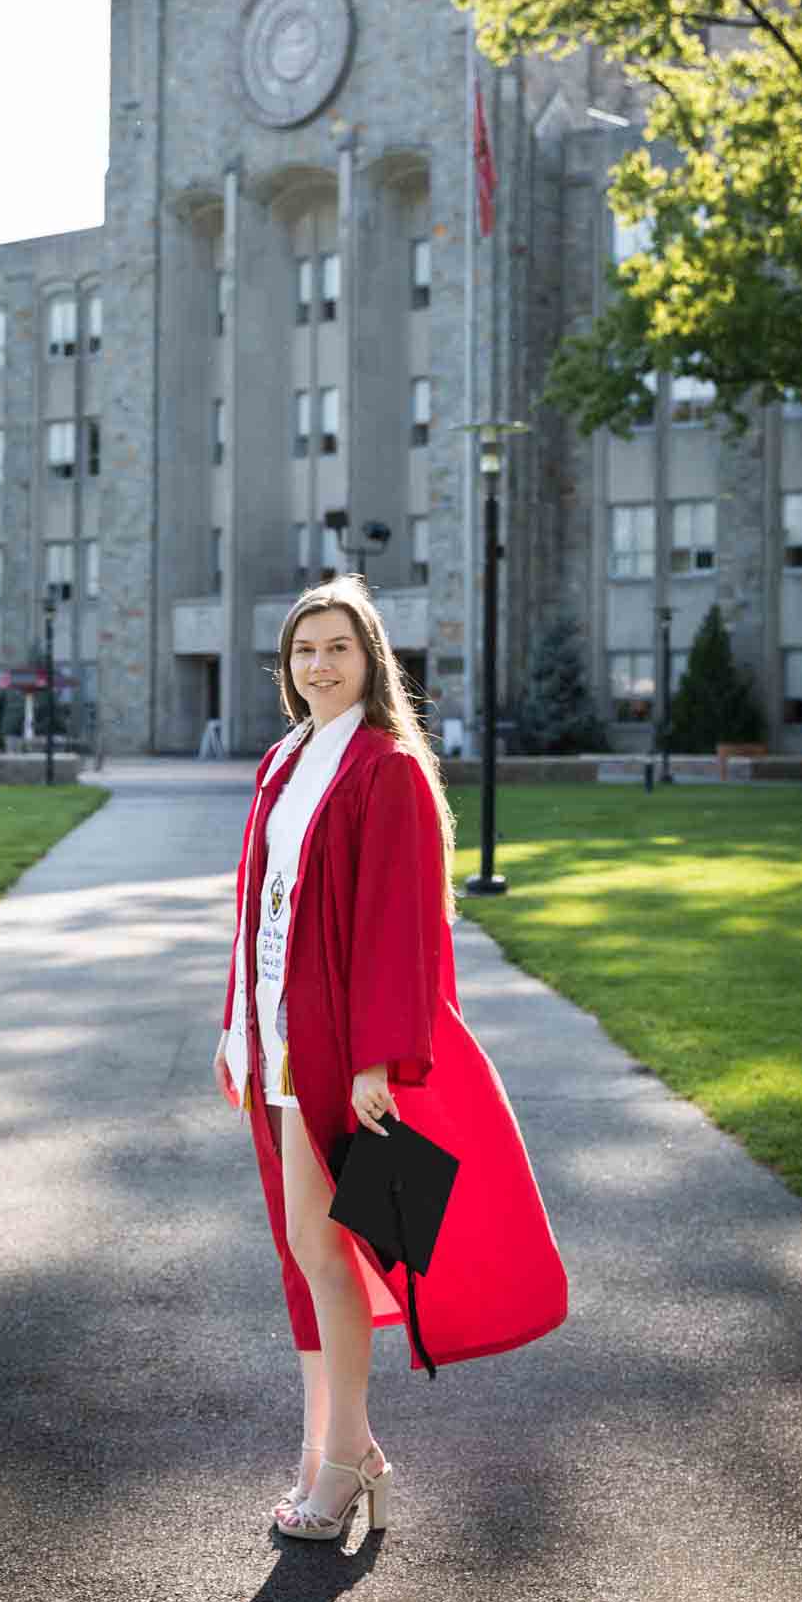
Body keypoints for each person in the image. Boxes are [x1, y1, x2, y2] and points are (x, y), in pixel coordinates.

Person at [214, 575, 568, 1543]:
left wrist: (379, 1060)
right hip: (279, 1034)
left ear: (372, 659)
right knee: (308, 1250)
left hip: (336, 1043)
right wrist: (233, 1027)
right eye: (302, 649)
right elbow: (259, 907)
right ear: (285, 666)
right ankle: (334, 1445)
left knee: (326, 1245)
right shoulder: (285, 761)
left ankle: (341, 1456)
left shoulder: (386, 770)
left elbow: (401, 930)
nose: (318, 664)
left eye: (336, 646)